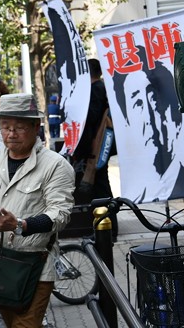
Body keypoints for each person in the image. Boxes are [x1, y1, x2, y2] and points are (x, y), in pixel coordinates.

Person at [0, 93, 74, 327]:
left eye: (19, 127)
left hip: (35, 265)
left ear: (36, 127)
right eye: (5, 126)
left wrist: (20, 224)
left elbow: (60, 214)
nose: (11, 133)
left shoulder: (55, 165)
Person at [111, 47, 184, 202]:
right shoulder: (133, 197)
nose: (150, 116)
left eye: (156, 100)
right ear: (126, 121)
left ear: (176, 118)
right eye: (138, 103)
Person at [72, 59, 118, 240]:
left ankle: (107, 229)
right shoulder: (102, 87)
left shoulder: (95, 89)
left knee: (100, 189)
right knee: (101, 187)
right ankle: (105, 228)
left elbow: (90, 119)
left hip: (96, 147)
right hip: (100, 145)